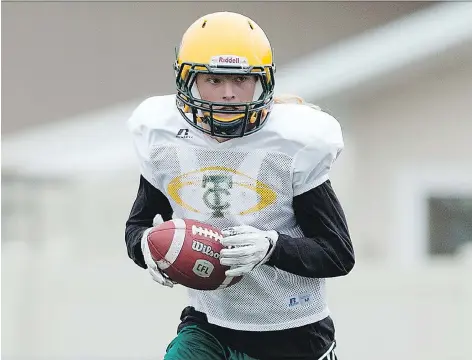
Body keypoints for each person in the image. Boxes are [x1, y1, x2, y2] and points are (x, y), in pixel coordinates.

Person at [125, 11, 355, 360]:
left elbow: (338, 254)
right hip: (208, 325)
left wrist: (271, 248)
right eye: (214, 81)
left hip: (291, 334)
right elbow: (138, 227)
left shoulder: (293, 143)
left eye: (241, 79)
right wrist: (146, 249)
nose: (229, 94)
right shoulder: (164, 138)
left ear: (262, 82)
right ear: (188, 81)